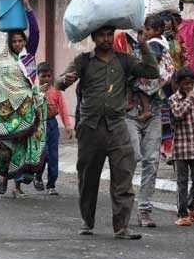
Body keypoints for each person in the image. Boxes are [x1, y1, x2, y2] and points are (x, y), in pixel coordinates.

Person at [58, 26, 159, 240]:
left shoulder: (124, 60)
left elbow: (152, 72)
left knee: (123, 176)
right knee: (88, 178)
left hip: (117, 127)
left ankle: (121, 227)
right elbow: (59, 82)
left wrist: (143, 44)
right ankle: (87, 221)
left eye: (109, 35)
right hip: (90, 128)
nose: (106, 39)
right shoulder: (83, 61)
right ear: (94, 38)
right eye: (102, 35)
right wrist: (65, 79)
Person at [0, 0, 46, 196]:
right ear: (9, 42)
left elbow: (35, 31)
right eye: (15, 41)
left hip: (26, 110)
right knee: (7, 146)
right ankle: (3, 178)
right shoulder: (1, 60)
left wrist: (27, 7)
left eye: (21, 40)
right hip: (8, 112)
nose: (18, 44)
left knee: (22, 147)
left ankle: (17, 185)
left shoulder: (28, 56)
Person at [125, 16, 172, 228]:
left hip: (154, 110)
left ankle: (144, 209)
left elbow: (165, 75)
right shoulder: (130, 52)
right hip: (130, 113)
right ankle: (124, 203)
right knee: (133, 156)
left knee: (151, 160)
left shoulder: (159, 47)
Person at [168, 68, 194, 226]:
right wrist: (189, 99)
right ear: (178, 84)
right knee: (182, 183)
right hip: (180, 150)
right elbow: (178, 114)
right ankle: (183, 214)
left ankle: (190, 202)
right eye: (185, 84)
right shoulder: (173, 100)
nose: (189, 86)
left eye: (191, 83)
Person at [37, 62, 72, 196]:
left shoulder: (56, 91)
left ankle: (51, 184)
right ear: (38, 76)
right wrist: (38, 94)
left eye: (49, 76)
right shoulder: (35, 91)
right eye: (43, 76)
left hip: (52, 124)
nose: (46, 78)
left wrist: (68, 126)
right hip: (39, 124)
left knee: (53, 155)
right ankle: (38, 176)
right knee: (42, 153)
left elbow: (62, 108)